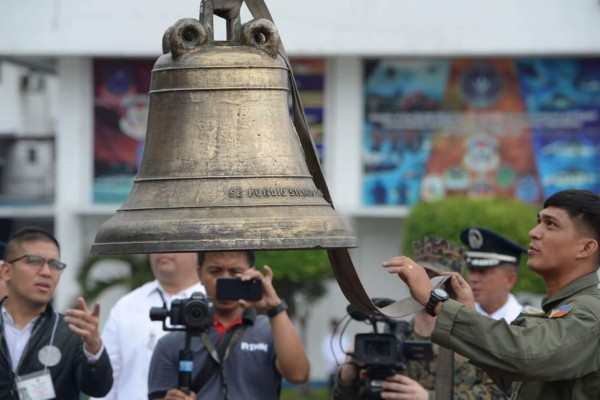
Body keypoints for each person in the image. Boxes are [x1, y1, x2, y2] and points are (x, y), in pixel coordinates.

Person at [382, 189, 600, 399]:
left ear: (586, 248)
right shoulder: (554, 312)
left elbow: (527, 356)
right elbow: (514, 380)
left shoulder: (590, 313)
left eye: (551, 224)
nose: (533, 232)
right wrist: (468, 314)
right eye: (538, 222)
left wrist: (437, 302)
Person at [334, 237, 506, 400]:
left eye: (434, 278)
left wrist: (430, 398)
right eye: (420, 276)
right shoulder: (393, 338)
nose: (425, 284)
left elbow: (501, 394)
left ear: (451, 284)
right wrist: (347, 377)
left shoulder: (472, 342)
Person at [147, 250, 310, 400]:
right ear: (200, 274)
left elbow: (298, 375)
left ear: (250, 272)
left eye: (235, 272)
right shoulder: (173, 342)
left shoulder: (269, 330)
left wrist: (274, 308)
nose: (225, 278)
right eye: (215, 271)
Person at [0, 227, 113, 399]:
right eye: (34, 261)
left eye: (55, 265)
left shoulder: (72, 333)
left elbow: (98, 389)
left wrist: (94, 346)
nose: (46, 272)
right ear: (7, 271)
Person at [91, 252, 205, 400]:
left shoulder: (216, 304)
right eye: (157, 242)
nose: (163, 249)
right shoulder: (126, 306)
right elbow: (108, 380)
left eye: (171, 241)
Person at [460, 227, 526, 322]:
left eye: (483, 272)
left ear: (510, 280)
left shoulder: (530, 326)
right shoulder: (458, 319)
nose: (473, 278)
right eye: (471, 270)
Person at [321, 318, 350, 394]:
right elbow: (326, 352)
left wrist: (340, 362)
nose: (335, 328)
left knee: (342, 388)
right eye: (333, 326)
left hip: (342, 367)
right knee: (332, 388)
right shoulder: (327, 339)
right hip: (331, 367)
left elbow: (346, 351)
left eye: (336, 326)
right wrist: (334, 362)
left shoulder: (344, 338)